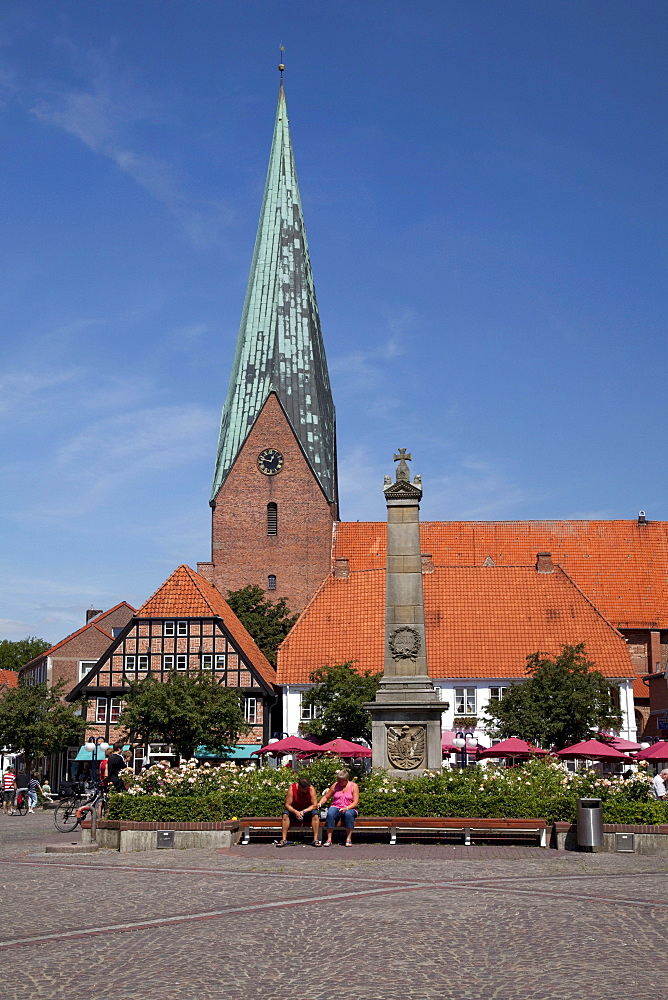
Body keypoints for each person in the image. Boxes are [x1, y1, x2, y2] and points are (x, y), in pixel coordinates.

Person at [318, 769, 360, 846]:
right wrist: (320, 803)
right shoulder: (335, 785)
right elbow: (326, 797)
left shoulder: (353, 786)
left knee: (348, 814)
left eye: (341, 781)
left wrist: (346, 808)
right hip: (336, 806)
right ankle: (329, 839)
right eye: (338, 780)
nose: (339, 782)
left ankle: (348, 838)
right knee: (330, 813)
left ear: (346, 780)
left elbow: (355, 803)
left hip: (349, 807)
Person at [277, 776, 321, 847]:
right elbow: (288, 805)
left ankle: (315, 839)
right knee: (285, 815)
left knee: (315, 815)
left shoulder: (311, 789)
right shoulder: (292, 789)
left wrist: (303, 811)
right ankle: (284, 839)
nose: (307, 791)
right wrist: (296, 812)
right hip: (294, 811)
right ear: (300, 787)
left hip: (307, 811)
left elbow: (314, 805)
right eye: (305, 789)